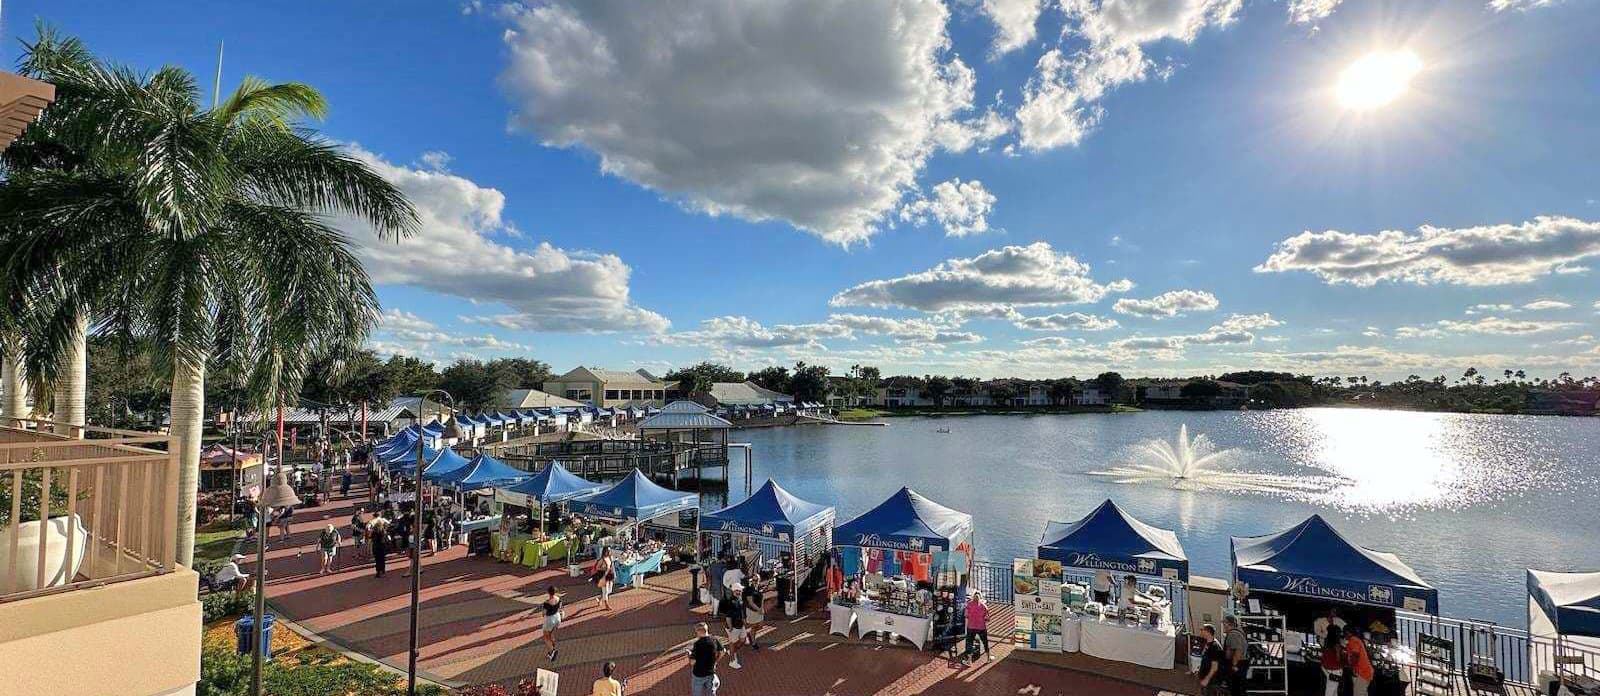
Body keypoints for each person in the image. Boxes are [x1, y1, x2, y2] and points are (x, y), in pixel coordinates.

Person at [688, 622, 724, 696]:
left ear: (699, 631)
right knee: (711, 692)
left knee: (697, 693)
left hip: (699, 673)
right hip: (711, 672)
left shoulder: (698, 644)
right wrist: (716, 661)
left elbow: (692, 662)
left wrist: (689, 655)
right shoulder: (714, 639)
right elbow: (723, 651)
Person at [719, 585, 746, 669]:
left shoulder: (739, 599)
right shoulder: (731, 602)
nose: (739, 592)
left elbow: (741, 611)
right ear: (734, 591)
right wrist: (730, 627)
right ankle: (732, 661)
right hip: (734, 626)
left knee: (743, 640)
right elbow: (728, 617)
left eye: (740, 590)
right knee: (732, 643)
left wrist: (743, 620)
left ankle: (732, 652)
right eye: (737, 590)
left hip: (740, 625)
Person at [1197, 623, 1228, 696]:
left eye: (1202, 630)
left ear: (1207, 632)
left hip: (1212, 681)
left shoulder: (1214, 647)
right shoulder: (1208, 644)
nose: (1200, 631)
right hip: (1207, 679)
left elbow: (1215, 667)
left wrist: (1206, 679)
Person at [1223, 615, 1249, 696]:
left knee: (1236, 689)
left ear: (1229, 623)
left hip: (1238, 664)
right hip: (1241, 663)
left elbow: (1238, 650)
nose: (1223, 625)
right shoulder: (1239, 632)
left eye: (1224, 623)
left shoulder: (1233, 634)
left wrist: (1234, 665)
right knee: (1240, 688)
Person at [963, 590, 992, 663]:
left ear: (972, 597)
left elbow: (966, 615)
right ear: (981, 597)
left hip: (971, 627)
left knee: (970, 643)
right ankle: (988, 658)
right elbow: (987, 618)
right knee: (985, 642)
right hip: (981, 627)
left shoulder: (969, 604)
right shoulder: (984, 606)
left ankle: (969, 661)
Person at [1345, 628, 1374, 696]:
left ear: (1348, 632)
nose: (1344, 635)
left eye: (1344, 633)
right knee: (1362, 692)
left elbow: (1355, 654)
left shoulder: (1353, 640)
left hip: (1362, 671)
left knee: (1358, 693)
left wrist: (1353, 669)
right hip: (1365, 671)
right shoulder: (1357, 640)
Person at [1320, 624, 1346, 696]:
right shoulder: (1336, 644)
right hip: (1334, 671)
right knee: (1333, 692)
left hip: (1330, 671)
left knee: (1330, 692)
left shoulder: (1328, 643)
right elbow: (1339, 660)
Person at [541, 585, 564, 662]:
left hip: (550, 620)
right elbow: (560, 607)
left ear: (548, 593)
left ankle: (552, 652)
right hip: (557, 618)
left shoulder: (547, 603)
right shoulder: (558, 599)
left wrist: (543, 612)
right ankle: (552, 648)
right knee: (552, 634)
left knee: (546, 637)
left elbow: (544, 613)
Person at [743, 580, 765, 651]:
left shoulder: (759, 587)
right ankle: (753, 642)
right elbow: (750, 602)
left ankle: (750, 633)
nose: (755, 581)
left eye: (757, 579)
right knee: (754, 626)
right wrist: (759, 610)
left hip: (759, 610)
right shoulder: (749, 589)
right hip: (751, 610)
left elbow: (762, 598)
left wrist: (762, 608)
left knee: (760, 625)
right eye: (754, 580)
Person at [369, 513, 390, 578]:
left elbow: (371, 538)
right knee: (382, 559)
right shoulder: (383, 532)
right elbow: (387, 539)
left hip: (376, 547)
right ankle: (383, 570)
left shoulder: (374, 532)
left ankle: (378, 572)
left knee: (377, 560)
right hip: (382, 546)